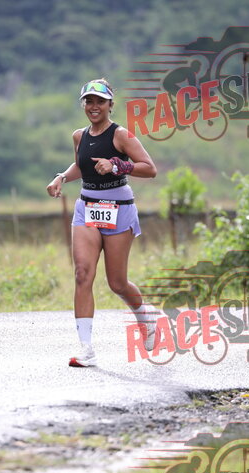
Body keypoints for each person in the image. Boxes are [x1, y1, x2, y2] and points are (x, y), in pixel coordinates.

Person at [46, 78, 159, 367]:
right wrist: (61, 177)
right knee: (82, 274)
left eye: (100, 101)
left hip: (119, 209)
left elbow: (150, 169)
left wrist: (117, 164)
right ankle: (86, 348)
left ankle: (146, 315)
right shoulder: (79, 136)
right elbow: (80, 165)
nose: (94, 106)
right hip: (87, 207)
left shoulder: (122, 135)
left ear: (110, 104)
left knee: (117, 283)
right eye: (89, 101)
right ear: (83, 104)